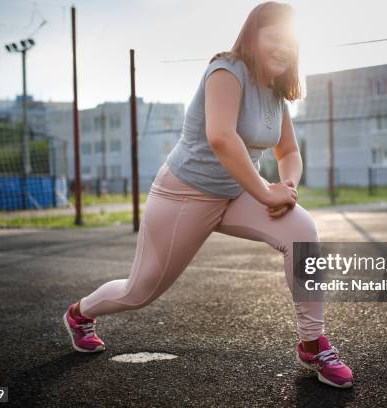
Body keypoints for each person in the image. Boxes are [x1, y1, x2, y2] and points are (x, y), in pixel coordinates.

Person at [62, 1, 353, 389]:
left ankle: (313, 343)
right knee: (139, 291)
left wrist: (288, 187)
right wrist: (266, 193)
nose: (283, 46)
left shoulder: (276, 93)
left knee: (302, 231)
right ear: (254, 35)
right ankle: (79, 314)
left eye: (290, 39)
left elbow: (289, 152)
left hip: (234, 194)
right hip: (184, 195)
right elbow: (221, 138)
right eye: (274, 36)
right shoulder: (227, 69)